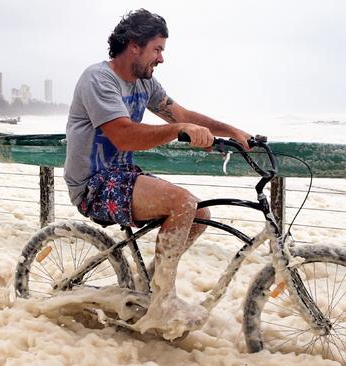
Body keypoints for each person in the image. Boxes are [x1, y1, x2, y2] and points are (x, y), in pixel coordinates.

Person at [64, 9, 251, 339]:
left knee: (200, 213)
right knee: (182, 203)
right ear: (134, 46)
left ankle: (150, 287)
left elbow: (180, 113)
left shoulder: (145, 82)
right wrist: (180, 129)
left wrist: (230, 130)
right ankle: (163, 301)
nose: (162, 58)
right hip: (93, 185)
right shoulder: (98, 79)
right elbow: (123, 134)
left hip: (123, 176)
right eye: (157, 49)